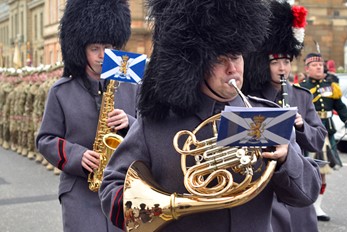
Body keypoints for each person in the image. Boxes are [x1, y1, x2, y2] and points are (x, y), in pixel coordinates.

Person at [99, 0, 321, 231]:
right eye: (220, 60)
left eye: (236, 57)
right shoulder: (157, 123)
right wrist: (149, 209)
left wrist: (286, 159)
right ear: (197, 63)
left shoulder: (268, 116)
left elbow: (306, 195)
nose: (232, 69)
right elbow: (112, 186)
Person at [36, 0, 137, 231]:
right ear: (81, 49)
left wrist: (130, 123)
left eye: (108, 47)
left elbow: (151, 130)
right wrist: (77, 156)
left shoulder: (131, 85)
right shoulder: (61, 91)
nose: (102, 55)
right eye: (94, 49)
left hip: (123, 189)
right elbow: (45, 139)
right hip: (80, 192)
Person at [242, 1, 326, 231]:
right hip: (265, 191)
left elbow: (318, 139)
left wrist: (301, 127)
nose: (282, 68)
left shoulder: (301, 96)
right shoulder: (250, 97)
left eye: (287, 62)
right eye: (275, 62)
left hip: (297, 186)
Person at [300, 52, 347, 221]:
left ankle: (317, 207)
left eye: (321, 65)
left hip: (326, 134)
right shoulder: (302, 88)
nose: (319, 67)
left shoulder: (331, 86)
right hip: (307, 134)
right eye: (315, 65)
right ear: (307, 69)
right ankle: (303, 205)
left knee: (322, 172)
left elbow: (340, 106)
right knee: (305, 170)